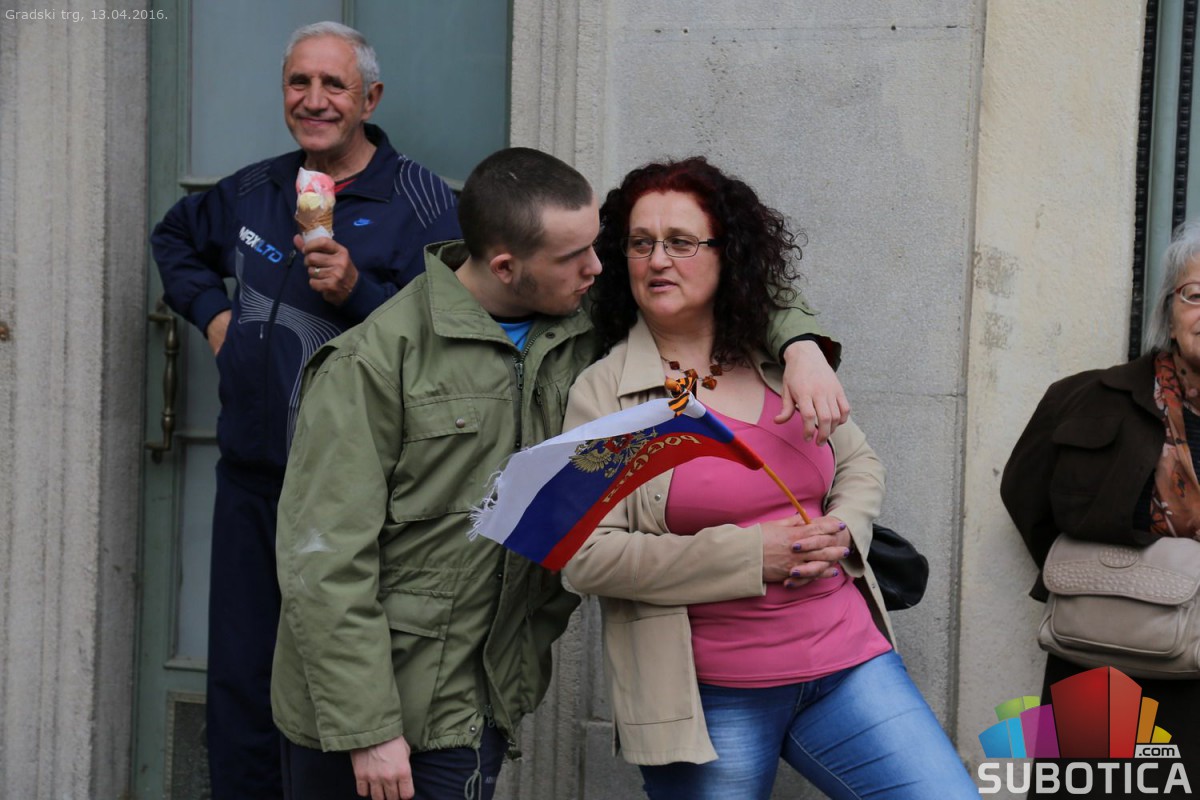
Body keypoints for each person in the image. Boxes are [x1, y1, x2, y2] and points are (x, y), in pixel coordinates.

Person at [271, 147, 851, 800]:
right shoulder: (373, 363)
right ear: (506, 267)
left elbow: (729, 274)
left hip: (479, 695)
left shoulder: (583, 316)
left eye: (599, 245)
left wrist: (800, 345)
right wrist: (368, 731)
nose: (600, 267)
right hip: (372, 713)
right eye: (576, 256)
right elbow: (323, 561)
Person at [561, 156, 978, 800]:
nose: (658, 260)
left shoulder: (782, 362)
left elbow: (859, 463)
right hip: (710, 695)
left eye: (681, 242)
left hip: (849, 663)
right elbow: (584, 556)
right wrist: (754, 555)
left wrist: (845, 528)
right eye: (641, 243)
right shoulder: (606, 394)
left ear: (727, 254)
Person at [149, 21, 461, 798]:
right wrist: (213, 317)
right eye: (299, 82)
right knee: (242, 687)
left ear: (370, 99)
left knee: (337, 689)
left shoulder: (425, 205)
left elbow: (450, 351)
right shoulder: (257, 189)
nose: (314, 100)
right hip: (253, 484)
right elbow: (174, 237)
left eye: (334, 85)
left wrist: (357, 292)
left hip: (357, 506)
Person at [1002, 220, 1200, 797]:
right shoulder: (1087, 398)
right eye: (1195, 294)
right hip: (1105, 658)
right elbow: (1027, 497)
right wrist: (1108, 582)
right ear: (1168, 310)